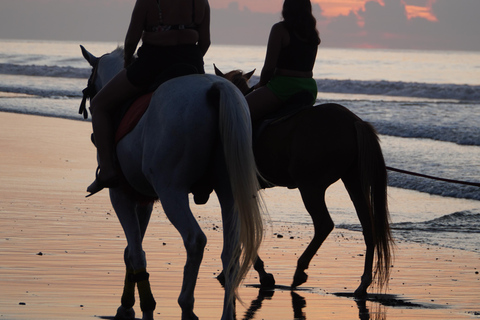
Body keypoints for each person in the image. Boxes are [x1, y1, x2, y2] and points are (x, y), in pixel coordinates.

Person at [86, 0, 211, 196]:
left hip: (153, 64)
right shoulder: (200, 2)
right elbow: (205, 42)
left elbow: (131, 41)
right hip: (191, 64)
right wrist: (188, 59)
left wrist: (128, 62)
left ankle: (108, 170)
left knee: (99, 105)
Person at [246, 0, 320, 122]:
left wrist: (261, 85)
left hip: (283, 87)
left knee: (239, 111)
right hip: (309, 88)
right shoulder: (312, 33)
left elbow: (269, 68)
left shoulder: (279, 29)